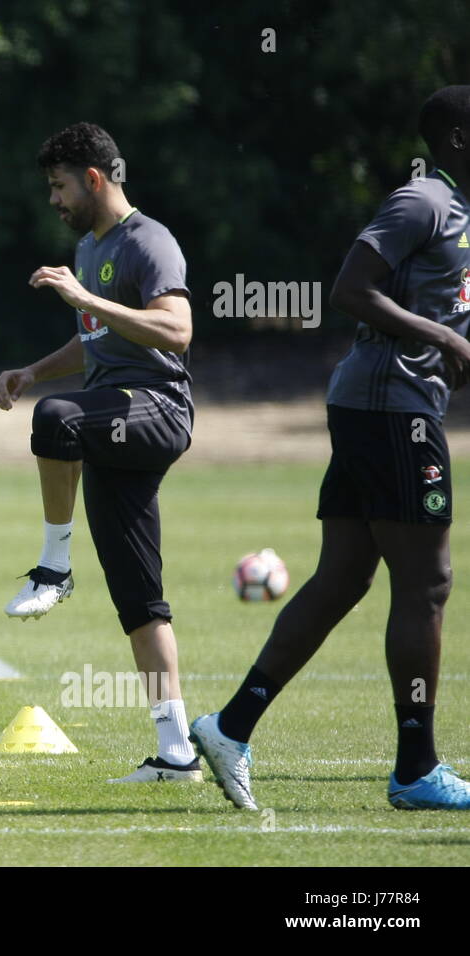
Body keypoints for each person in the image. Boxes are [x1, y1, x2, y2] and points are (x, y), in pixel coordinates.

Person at [191, 86, 470, 811]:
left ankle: (231, 726)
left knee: (345, 578)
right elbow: (350, 289)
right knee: (428, 584)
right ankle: (416, 768)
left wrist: (449, 335)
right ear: (458, 140)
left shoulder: (461, 215)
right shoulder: (422, 202)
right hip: (390, 411)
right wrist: (439, 337)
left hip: (378, 407)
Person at [0, 122, 199, 783]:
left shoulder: (149, 241)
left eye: (57, 186)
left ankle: (54, 568)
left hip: (156, 411)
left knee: (57, 421)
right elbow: (97, 342)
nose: (52, 200)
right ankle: (178, 755)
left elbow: (176, 330)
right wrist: (32, 370)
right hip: (112, 422)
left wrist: (85, 298)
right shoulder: (87, 247)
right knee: (141, 601)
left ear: (93, 179)